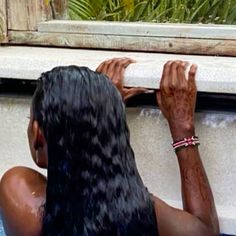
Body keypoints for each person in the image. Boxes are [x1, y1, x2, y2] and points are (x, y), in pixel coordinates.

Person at [0, 58, 219, 236]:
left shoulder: (20, 198)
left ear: (38, 134)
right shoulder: (147, 214)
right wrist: (183, 128)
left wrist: (98, 112)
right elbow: (206, 231)